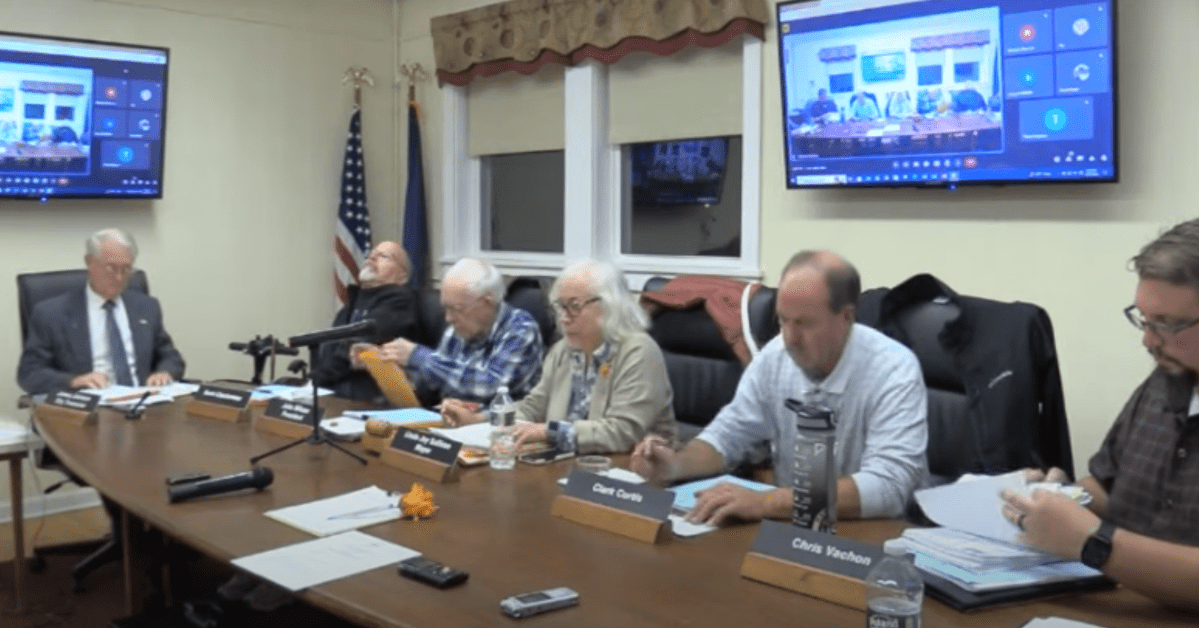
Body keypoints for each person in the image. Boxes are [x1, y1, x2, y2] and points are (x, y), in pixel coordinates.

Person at [632, 250, 928, 526]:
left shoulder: (893, 369)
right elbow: (728, 436)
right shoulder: (774, 358)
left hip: (869, 533)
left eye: (804, 324)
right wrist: (674, 465)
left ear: (846, 318)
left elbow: (889, 488)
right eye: (782, 320)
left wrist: (768, 502)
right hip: (792, 528)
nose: (789, 338)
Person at [1002, 219, 1199, 611]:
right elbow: (1109, 488)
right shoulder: (1168, 378)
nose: (1147, 339)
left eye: (1168, 324)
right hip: (1125, 602)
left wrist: (1092, 543)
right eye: (1144, 318)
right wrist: (1064, 498)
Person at [442, 260, 676, 454]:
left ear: (609, 306)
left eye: (574, 306)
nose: (563, 318)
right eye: (561, 307)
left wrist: (547, 432)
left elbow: (622, 433)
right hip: (565, 465)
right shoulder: (564, 350)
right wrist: (480, 419)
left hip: (626, 474)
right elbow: (533, 407)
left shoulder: (639, 351)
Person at [18, 228, 185, 394]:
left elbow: (171, 357)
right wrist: (74, 381)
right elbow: (29, 373)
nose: (119, 278)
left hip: (143, 403)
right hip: (90, 409)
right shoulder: (51, 313)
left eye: (126, 270)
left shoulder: (146, 307)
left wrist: (165, 372)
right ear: (89, 262)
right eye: (111, 268)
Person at [375, 257, 543, 404]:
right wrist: (387, 364)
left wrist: (419, 356)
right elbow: (432, 384)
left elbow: (489, 385)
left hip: (502, 429)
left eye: (456, 308)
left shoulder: (521, 329)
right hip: (453, 423)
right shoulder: (459, 328)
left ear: (487, 302)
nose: (449, 318)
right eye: (446, 309)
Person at [310, 241, 420, 401]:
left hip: (366, 397)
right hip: (333, 387)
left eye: (384, 256)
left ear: (402, 277)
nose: (372, 258)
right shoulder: (356, 298)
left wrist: (314, 383)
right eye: (371, 254)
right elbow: (331, 346)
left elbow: (355, 347)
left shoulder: (400, 301)